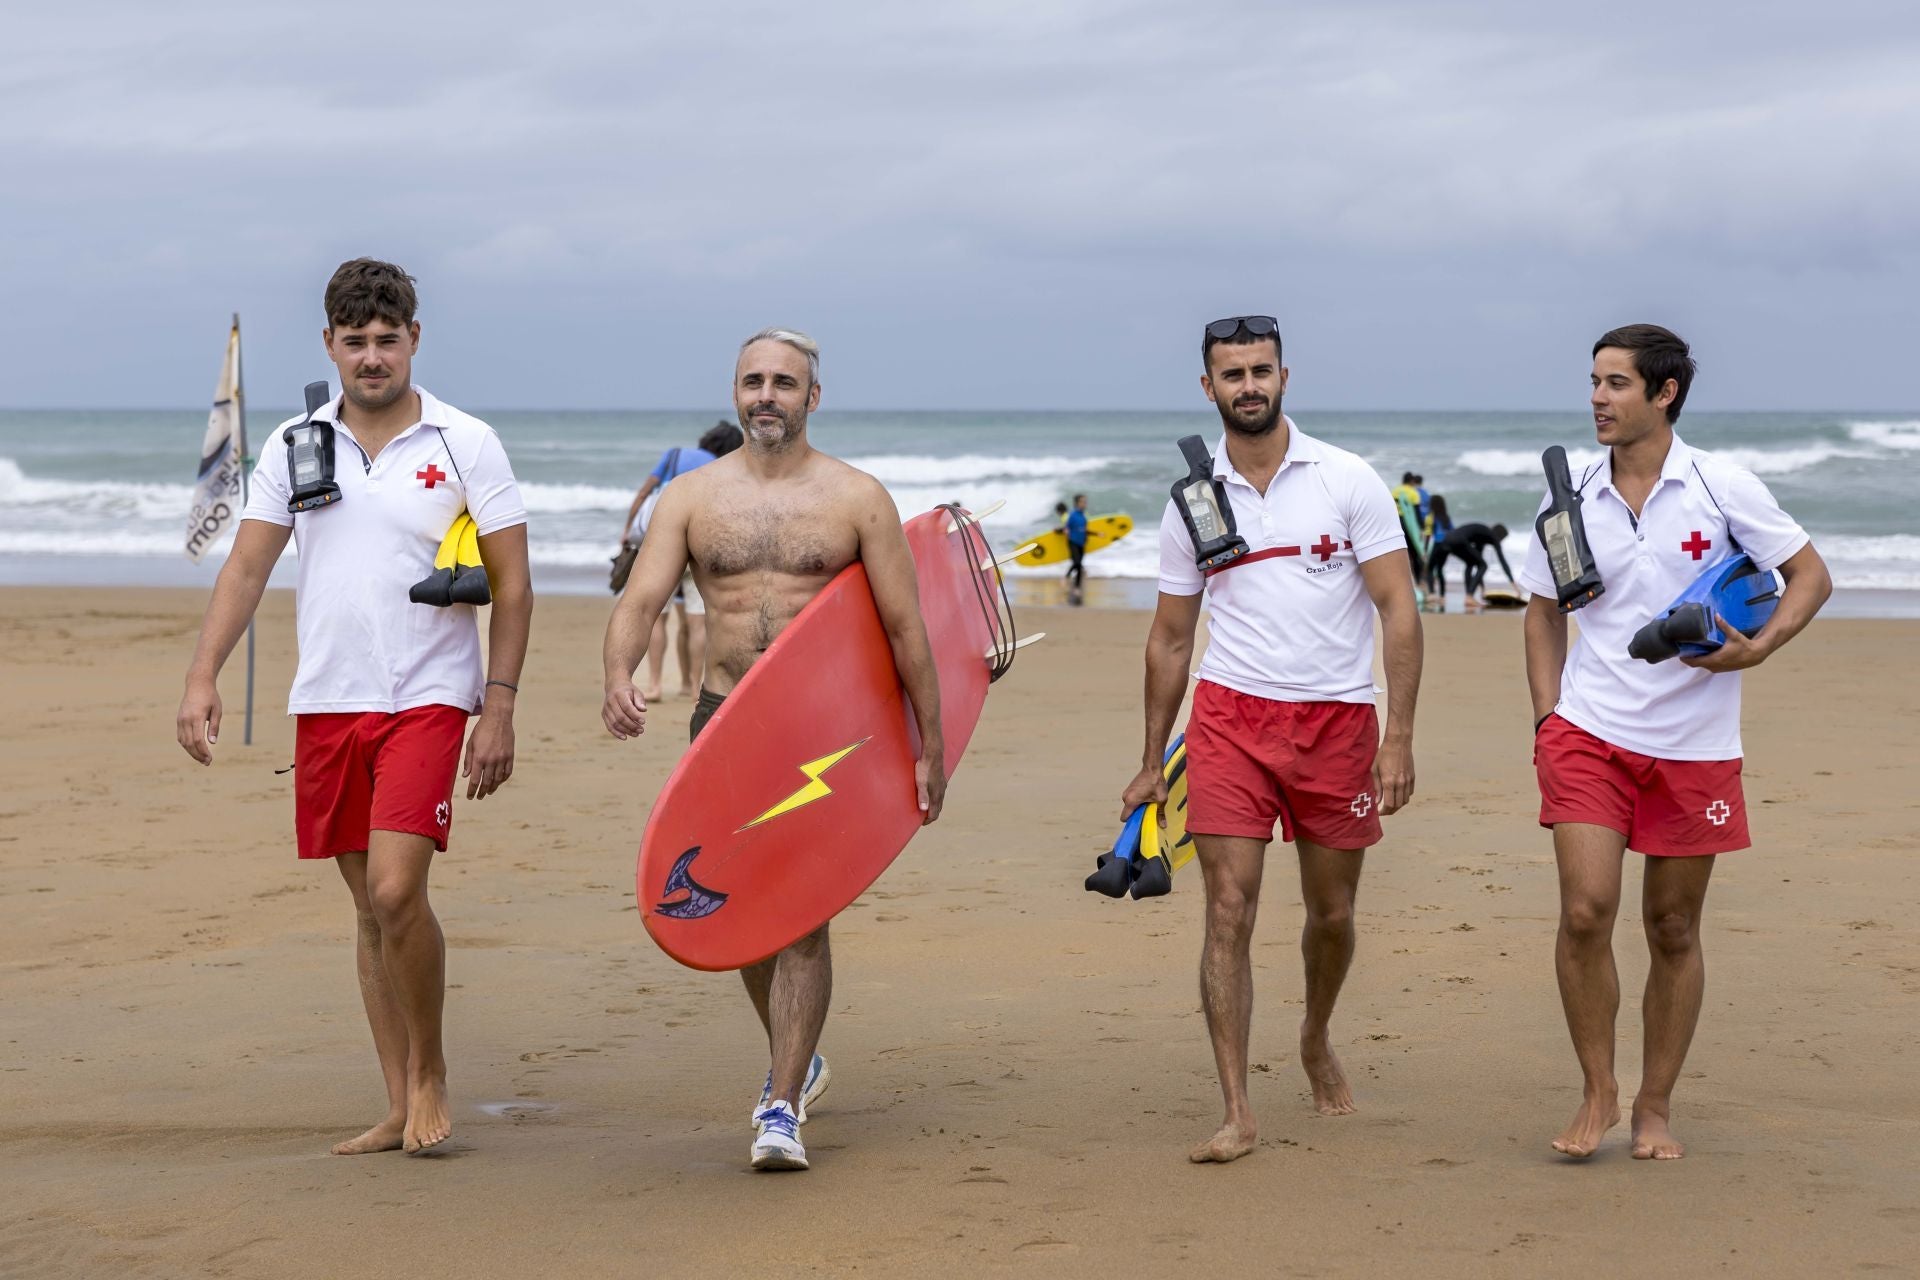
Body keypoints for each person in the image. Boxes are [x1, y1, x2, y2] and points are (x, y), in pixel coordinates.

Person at [174, 258, 532, 1156]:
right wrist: (202, 674)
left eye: (387, 339)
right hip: (328, 698)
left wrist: (499, 707)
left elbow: (516, 588)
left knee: (395, 886)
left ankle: (432, 1073)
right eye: (355, 341)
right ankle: (396, 1099)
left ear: (414, 339)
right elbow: (249, 566)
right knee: (369, 914)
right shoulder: (296, 443)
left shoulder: (466, 442)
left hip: (429, 695)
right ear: (330, 345)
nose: (372, 357)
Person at [601, 328, 946, 1172]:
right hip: (720, 723)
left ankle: (782, 1102)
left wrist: (929, 744)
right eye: (753, 381)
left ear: (812, 397)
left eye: (784, 383)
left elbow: (907, 629)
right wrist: (619, 671)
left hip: (819, 736)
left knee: (799, 918)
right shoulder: (691, 497)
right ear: (735, 392)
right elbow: (642, 598)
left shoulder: (857, 498)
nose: (767, 395)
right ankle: (801, 1056)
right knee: (732, 909)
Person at [1519, 323, 1830, 1161]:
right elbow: (1545, 611)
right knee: (1585, 912)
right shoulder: (1569, 491)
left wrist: (1758, 648)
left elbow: (1810, 574)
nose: (1596, 398)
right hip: (1590, 733)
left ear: (1665, 394)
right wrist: (1549, 718)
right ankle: (1598, 1092)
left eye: (1616, 384)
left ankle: (1655, 1105)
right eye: (1593, 381)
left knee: (1673, 928)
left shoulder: (1720, 484)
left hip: (1695, 745)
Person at [1123, 315, 1422, 1163]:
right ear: (1207, 387)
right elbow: (1172, 637)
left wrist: (1396, 735)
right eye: (1232, 373)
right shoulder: (1193, 500)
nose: (1247, 385)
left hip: (1337, 718)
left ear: (1285, 376)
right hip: (1229, 720)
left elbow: (1399, 608)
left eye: (1261, 370)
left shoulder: (1346, 479)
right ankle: (1237, 1109)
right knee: (1228, 909)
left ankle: (1315, 1033)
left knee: (1331, 912)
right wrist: (1152, 758)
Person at [619, 422, 742, 701]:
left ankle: (654, 685)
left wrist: (628, 530)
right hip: (701, 549)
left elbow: (643, 493)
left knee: (656, 619)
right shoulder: (724, 467)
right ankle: (693, 686)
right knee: (697, 623)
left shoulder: (674, 456)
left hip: (664, 547)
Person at [1428, 521, 1514, 609]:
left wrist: (1482, 587)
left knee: (1470, 563)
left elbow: (1477, 564)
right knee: (1483, 565)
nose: (1500, 541)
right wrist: (1512, 582)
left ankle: (1468, 597)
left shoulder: (1482, 535)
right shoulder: (1492, 535)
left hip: (1445, 540)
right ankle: (1469, 597)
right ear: (1500, 535)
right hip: (1458, 540)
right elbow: (1502, 560)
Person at [1065, 492, 1090, 604]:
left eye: (1085, 501)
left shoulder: (1084, 516)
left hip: (1081, 543)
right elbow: (1066, 527)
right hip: (1073, 542)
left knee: (1078, 565)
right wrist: (1066, 530)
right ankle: (1072, 584)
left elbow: (1084, 529)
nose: (1085, 503)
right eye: (1082, 501)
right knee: (1078, 564)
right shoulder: (1073, 515)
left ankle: (1076, 586)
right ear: (1077, 503)